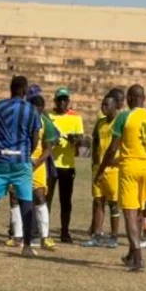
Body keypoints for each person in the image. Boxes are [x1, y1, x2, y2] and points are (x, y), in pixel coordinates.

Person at [97, 84, 146, 272]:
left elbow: (112, 148)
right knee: (139, 212)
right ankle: (131, 254)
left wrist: (101, 169)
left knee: (129, 213)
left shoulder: (124, 117)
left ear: (130, 98)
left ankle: (138, 256)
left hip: (129, 167)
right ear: (143, 99)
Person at [0, 75, 42, 257]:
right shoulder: (31, 110)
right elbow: (35, 137)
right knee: (26, 203)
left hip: (1, 161)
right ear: (24, 90)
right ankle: (27, 246)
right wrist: (27, 153)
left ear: (11, 89)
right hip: (21, 162)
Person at [7, 88, 59, 249]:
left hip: (38, 165)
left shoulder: (46, 123)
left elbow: (48, 149)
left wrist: (36, 163)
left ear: (42, 109)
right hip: (19, 162)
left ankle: (45, 237)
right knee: (15, 197)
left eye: (38, 110)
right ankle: (17, 237)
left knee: (40, 197)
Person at [46, 87, 85, 243]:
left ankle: (65, 231)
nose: (62, 102)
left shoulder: (76, 117)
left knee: (66, 200)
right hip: (50, 163)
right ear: (55, 101)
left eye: (65, 100)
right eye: (60, 100)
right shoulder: (48, 116)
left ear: (68, 101)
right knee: (46, 198)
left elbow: (81, 140)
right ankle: (44, 230)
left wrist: (74, 140)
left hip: (67, 165)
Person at [86, 90, 123, 248]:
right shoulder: (100, 123)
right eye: (102, 104)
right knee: (98, 201)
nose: (104, 107)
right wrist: (94, 161)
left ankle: (114, 236)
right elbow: (95, 141)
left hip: (113, 169)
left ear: (115, 106)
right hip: (98, 167)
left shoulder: (120, 122)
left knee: (113, 203)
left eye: (107, 105)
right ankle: (97, 235)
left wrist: (118, 160)